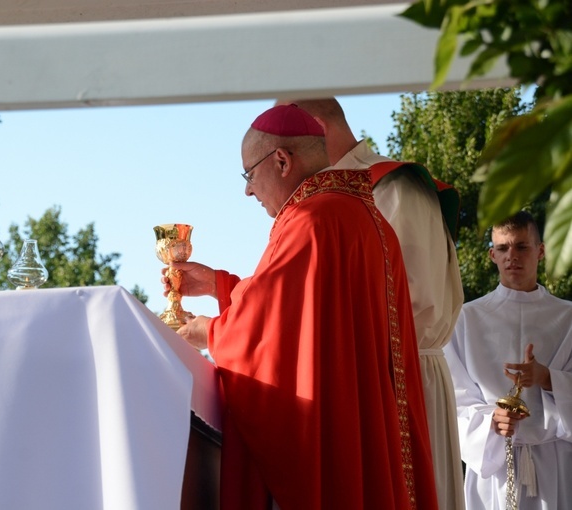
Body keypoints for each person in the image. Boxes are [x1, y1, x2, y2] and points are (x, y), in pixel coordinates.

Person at [168, 104, 438, 509]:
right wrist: (218, 284)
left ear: (281, 160)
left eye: (248, 174)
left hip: (328, 436)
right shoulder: (365, 218)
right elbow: (302, 309)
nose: (247, 190)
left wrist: (209, 330)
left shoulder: (311, 220)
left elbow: (270, 332)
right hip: (363, 426)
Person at [278, 97, 466, 510]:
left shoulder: (391, 185)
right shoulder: (337, 195)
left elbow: (413, 303)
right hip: (375, 379)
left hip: (403, 380)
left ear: (314, 132)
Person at [444, 211, 572, 510]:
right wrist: (490, 421)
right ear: (491, 254)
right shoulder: (465, 319)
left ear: (540, 251)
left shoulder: (568, 318)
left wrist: (547, 378)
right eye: (502, 248)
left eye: (521, 246)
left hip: (556, 462)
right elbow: (454, 399)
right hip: (495, 468)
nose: (511, 256)